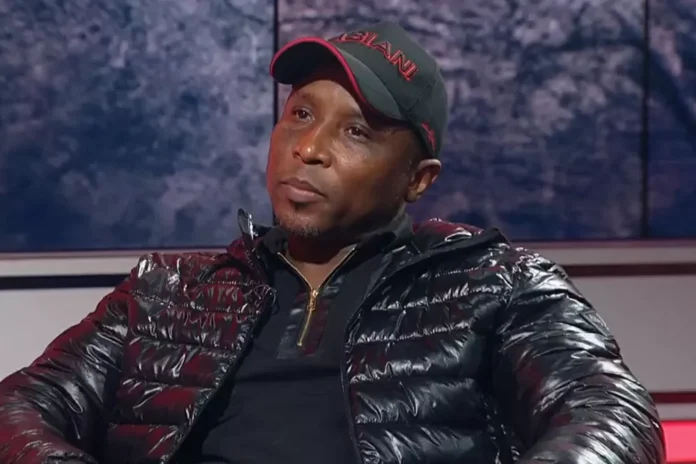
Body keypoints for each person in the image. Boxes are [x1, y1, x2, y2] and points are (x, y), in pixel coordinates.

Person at [0, 21, 664, 464]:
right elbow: (20, 406)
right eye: (300, 114)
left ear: (417, 179)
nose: (309, 148)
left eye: (356, 132)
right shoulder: (169, 290)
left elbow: (613, 416)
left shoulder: (496, 284)